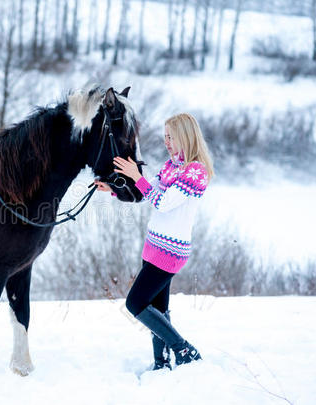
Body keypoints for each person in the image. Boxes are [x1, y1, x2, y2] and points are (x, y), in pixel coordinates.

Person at [95, 112, 214, 370]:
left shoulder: (195, 172)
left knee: (135, 303)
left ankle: (184, 349)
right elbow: (146, 195)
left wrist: (137, 174)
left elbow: (163, 202)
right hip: (153, 246)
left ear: (185, 136)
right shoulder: (170, 167)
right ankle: (162, 363)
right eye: (165, 137)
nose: (166, 142)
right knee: (157, 307)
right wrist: (116, 189)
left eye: (171, 137)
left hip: (171, 252)